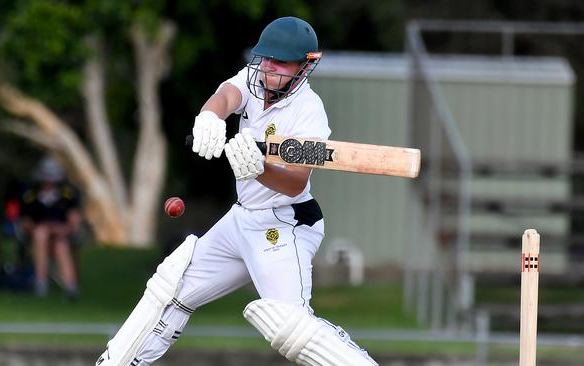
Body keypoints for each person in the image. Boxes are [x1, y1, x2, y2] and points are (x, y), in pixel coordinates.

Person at [97, 17, 378, 366]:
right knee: (170, 288)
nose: (269, 68)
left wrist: (258, 169)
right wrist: (210, 118)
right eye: (266, 59)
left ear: (305, 66)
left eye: (281, 62)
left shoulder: (309, 111)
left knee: (290, 327)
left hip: (283, 224)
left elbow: (295, 182)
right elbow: (226, 95)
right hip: (241, 219)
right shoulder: (253, 76)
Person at [20, 157, 82, 299]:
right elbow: (26, 221)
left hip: (60, 236)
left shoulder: (67, 195)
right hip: (37, 237)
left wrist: (63, 229)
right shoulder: (31, 195)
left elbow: (74, 219)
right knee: (41, 233)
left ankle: (70, 285)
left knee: (60, 245)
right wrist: (44, 228)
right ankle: (41, 281)